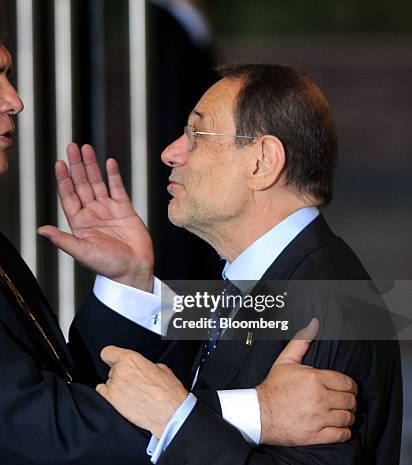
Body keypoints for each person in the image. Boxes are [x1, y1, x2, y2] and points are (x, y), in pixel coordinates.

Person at [0, 1, 359, 463]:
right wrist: (256, 411)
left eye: (198, 134)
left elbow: (63, 388)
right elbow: (37, 423)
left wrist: (126, 281)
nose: (14, 100)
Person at [50, 64, 401, 464]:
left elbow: (168, 408)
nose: (170, 152)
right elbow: (128, 398)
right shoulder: (260, 283)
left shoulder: (330, 303)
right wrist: (128, 278)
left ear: (262, 162)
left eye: (197, 134)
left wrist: (177, 419)